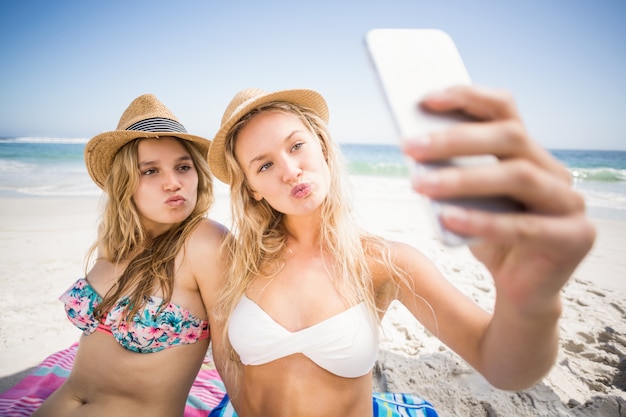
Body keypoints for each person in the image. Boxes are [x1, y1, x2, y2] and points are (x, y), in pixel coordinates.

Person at [205, 86, 596, 417]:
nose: (290, 170)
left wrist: (532, 301)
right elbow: (225, 357)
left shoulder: (385, 262)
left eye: (296, 146)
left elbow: (505, 369)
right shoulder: (234, 260)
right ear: (252, 187)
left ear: (321, 146)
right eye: (265, 165)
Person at [32, 94, 228, 417]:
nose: (173, 183)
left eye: (183, 167)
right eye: (150, 171)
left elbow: (233, 354)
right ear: (125, 183)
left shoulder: (204, 242)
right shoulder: (114, 242)